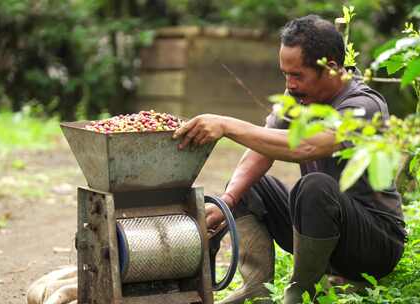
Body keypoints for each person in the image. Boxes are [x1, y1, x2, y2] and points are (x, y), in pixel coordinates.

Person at [172, 15, 407, 304]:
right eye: (285, 74)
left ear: (331, 67)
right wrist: (229, 201)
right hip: (322, 230)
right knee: (251, 184)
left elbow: (306, 147)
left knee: (314, 186)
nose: (290, 84)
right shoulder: (298, 97)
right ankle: (257, 289)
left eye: (297, 75)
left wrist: (227, 125)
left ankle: (299, 294)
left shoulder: (362, 105)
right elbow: (261, 149)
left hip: (374, 245)